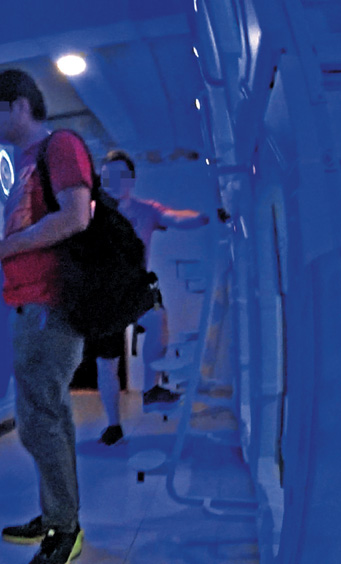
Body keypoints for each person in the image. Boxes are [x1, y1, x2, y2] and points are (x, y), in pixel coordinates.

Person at [0, 69, 89, 564]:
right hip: (29, 301)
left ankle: (64, 527)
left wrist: (1, 248)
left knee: (39, 419)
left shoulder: (60, 146)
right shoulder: (25, 163)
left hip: (49, 300)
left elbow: (76, 215)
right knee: (45, 417)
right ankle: (57, 513)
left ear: (19, 105)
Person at [92, 150, 211, 446]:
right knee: (106, 363)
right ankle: (114, 425)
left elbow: (176, 217)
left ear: (131, 180)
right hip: (104, 295)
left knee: (157, 317)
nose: (113, 181)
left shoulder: (146, 210)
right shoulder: (91, 213)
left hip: (135, 288)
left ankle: (150, 390)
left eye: (119, 175)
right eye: (107, 176)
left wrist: (205, 216)